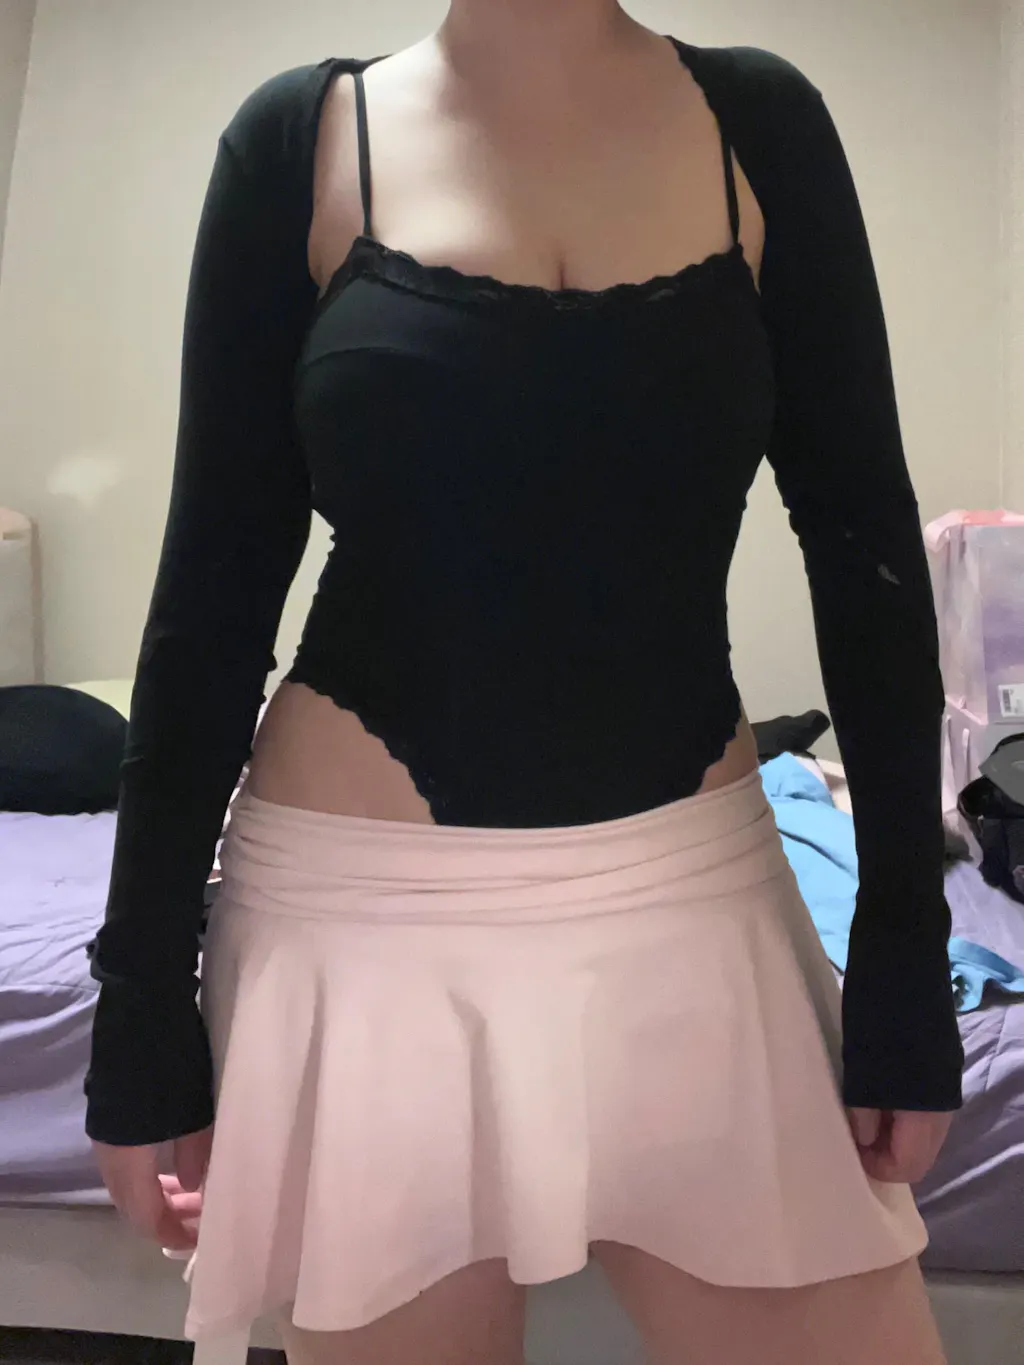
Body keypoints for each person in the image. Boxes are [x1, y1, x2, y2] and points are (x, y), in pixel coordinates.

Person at [85, 3, 963, 1363]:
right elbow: (210, 600)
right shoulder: (300, 143)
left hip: (695, 907)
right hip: (362, 933)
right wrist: (140, 1001)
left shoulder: (760, 125)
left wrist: (906, 955)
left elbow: (867, 555)